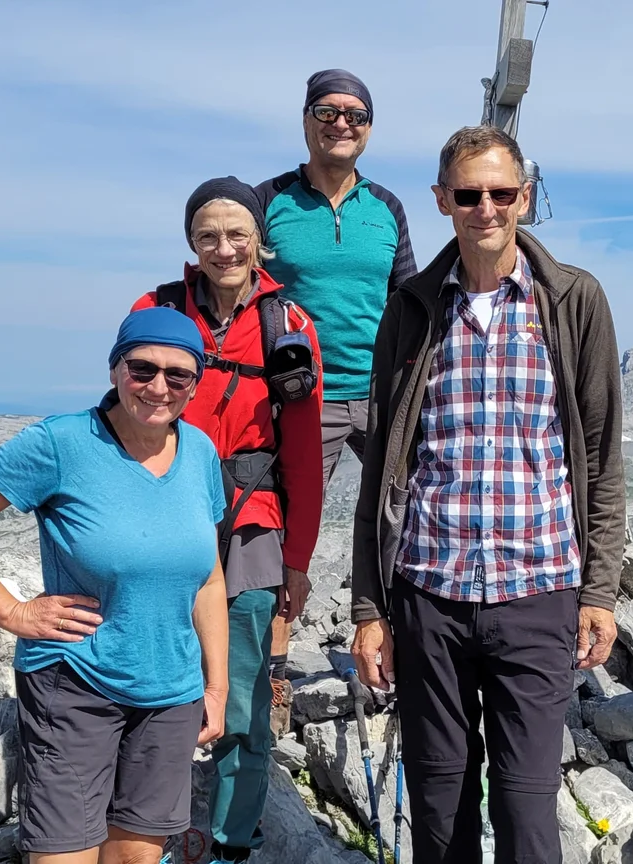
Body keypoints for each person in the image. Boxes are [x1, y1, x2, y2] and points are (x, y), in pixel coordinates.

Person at [349, 125, 626, 863]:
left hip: (538, 590)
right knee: (439, 803)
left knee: (526, 806)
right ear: (442, 201)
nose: (486, 209)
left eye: (502, 193)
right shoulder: (410, 307)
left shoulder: (573, 300)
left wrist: (598, 592)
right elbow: (382, 466)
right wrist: (371, 609)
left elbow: (602, 458)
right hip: (429, 594)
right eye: (468, 195)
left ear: (525, 198)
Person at [0, 308, 231, 864]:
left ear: (195, 383)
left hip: (172, 691)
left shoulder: (199, 451)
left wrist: (217, 686)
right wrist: (9, 612)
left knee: (137, 857)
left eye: (179, 375)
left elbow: (209, 578)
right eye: (142, 369)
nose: (159, 387)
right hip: (76, 682)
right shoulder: (62, 443)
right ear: (114, 370)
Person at [129, 177, 324, 864]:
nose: (224, 248)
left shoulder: (289, 327)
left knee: (241, 697)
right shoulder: (155, 309)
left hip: (249, 525)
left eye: (237, 233)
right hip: (163, 519)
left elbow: (302, 455)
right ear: (191, 241)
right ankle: (148, 830)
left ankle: (232, 842)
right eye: (208, 234)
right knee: (155, 685)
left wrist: (296, 561)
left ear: (258, 240)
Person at [254, 68, 417, 730]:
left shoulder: (388, 207)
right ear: (305, 120)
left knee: (400, 520)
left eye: (355, 114)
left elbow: (407, 295)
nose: (341, 123)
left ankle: (397, 649)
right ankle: (272, 675)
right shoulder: (269, 200)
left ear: (369, 129)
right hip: (302, 396)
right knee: (286, 529)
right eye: (328, 110)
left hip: (382, 392)